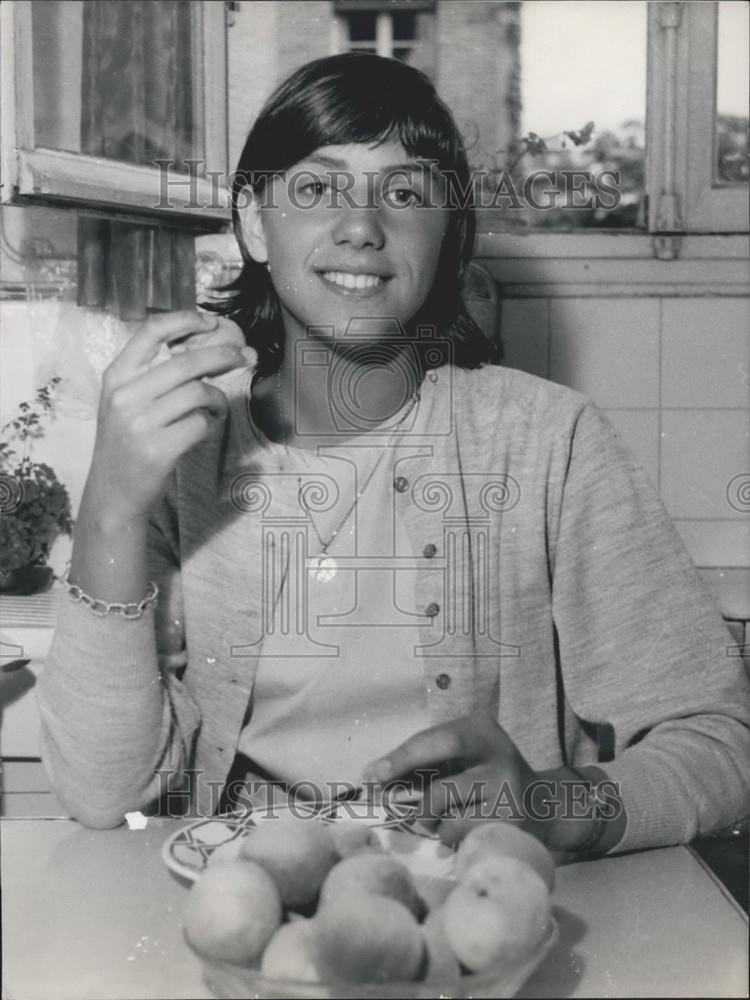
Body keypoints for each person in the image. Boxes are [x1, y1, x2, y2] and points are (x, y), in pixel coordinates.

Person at [38, 53, 749, 859]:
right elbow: (103, 796)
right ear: (250, 222)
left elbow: (721, 745)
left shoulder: (551, 441)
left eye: (406, 194)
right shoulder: (187, 459)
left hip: (480, 923)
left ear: (447, 237)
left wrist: (555, 805)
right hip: (247, 908)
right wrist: (110, 505)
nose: (362, 227)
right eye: (316, 188)